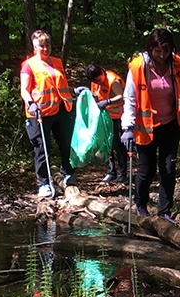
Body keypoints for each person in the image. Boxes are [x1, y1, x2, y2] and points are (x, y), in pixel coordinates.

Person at [120, 28, 180, 223]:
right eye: (157, 51)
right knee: (146, 170)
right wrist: (128, 128)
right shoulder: (138, 66)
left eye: (165, 51)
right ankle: (141, 205)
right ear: (150, 49)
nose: (161, 55)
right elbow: (130, 99)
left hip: (171, 124)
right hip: (145, 127)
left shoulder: (176, 63)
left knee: (168, 169)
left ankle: (164, 211)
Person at [20, 30, 78, 198]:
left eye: (48, 45)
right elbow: (24, 90)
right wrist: (30, 103)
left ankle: (68, 173)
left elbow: (60, 85)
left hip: (60, 109)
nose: (45, 49)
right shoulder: (28, 65)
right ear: (34, 47)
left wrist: (74, 91)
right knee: (41, 148)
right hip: (39, 113)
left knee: (66, 143)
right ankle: (43, 183)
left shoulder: (57, 62)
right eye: (41, 46)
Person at [85, 64, 128, 184]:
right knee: (107, 144)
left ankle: (122, 174)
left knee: (118, 145)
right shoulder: (95, 82)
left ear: (102, 73)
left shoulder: (113, 80)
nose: (98, 82)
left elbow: (122, 97)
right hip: (104, 116)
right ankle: (111, 172)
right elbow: (95, 95)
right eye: (95, 81)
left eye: (99, 79)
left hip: (118, 116)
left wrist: (107, 102)